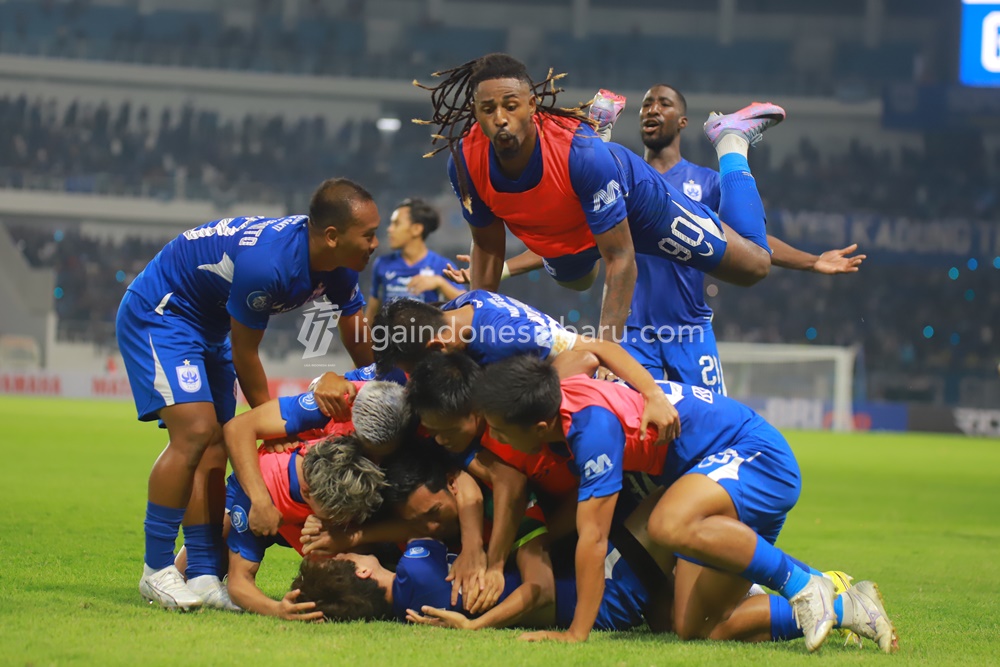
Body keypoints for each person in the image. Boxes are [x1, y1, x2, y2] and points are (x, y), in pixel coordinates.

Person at [473, 356, 897, 653]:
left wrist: (576, 633)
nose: (498, 440)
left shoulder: (592, 430)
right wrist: (650, 391)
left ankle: (803, 585)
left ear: (540, 426)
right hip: (707, 478)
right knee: (696, 627)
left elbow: (594, 538)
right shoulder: (559, 387)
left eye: (502, 432)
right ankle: (847, 605)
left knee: (667, 523)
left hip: (756, 456)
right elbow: (597, 348)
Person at [115, 178, 379, 610]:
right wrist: (274, 427)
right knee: (195, 432)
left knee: (216, 444)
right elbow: (246, 353)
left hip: (209, 325)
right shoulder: (270, 265)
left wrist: (379, 382)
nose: (374, 243)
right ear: (332, 236)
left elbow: (355, 333)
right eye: (368, 234)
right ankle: (156, 568)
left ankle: (203, 574)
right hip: (162, 312)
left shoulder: (341, 265)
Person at [415, 52, 778, 341]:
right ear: (475, 112)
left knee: (754, 267)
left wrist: (606, 350)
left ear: (532, 105)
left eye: (511, 106)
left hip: (636, 203)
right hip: (575, 225)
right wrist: (475, 332)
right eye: (488, 109)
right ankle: (597, 134)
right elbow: (488, 246)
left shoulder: (581, 156)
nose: (500, 118)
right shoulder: (464, 162)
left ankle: (731, 140)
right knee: (577, 280)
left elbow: (620, 257)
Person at [371, 290, 679, 441]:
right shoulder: (457, 308)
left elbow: (596, 350)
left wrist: (653, 395)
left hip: (574, 397)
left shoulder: (507, 337)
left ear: (437, 347)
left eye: (419, 368)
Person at [225, 434, 385, 620]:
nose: (341, 522)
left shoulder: (346, 458)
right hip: (266, 516)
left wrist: (342, 535)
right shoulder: (260, 494)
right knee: (216, 552)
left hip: (298, 514)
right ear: (306, 493)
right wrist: (277, 609)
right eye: (334, 516)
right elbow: (238, 582)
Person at [364, 198, 465, 323]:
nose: (389, 229)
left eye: (396, 223)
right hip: (390, 335)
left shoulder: (441, 265)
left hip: (427, 333)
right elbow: (372, 311)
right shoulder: (382, 264)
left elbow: (466, 302)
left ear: (416, 229)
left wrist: (440, 283)